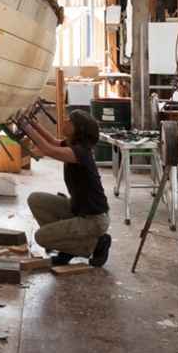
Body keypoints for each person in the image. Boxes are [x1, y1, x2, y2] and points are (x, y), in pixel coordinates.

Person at [23, 109, 111, 268]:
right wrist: (31, 122)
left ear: (79, 130)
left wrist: (26, 127)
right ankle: (66, 247)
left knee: (42, 237)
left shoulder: (80, 152)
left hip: (94, 219)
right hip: (79, 208)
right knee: (36, 200)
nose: (65, 121)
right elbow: (50, 140)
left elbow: (48, 150)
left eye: (70, 121)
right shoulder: (73, 145)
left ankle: (97, 243)